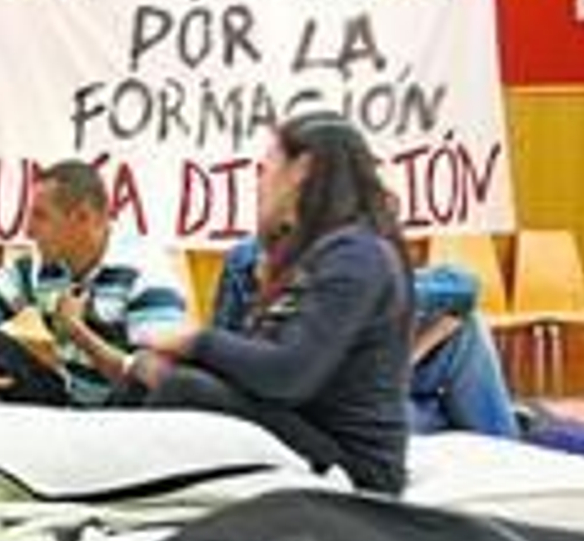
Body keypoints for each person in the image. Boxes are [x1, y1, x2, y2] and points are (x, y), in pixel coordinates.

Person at [135, 112, 415, 495]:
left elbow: (288, 375)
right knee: (152, 373)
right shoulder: (319, 251)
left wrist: (195, 341)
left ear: (301, 169)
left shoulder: (357, 254)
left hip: (356, 467)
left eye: (266, 170)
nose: (260, 184)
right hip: (310, 428)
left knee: (183, 388)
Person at [0, 159, 187, 408]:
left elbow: (159, 380)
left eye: (41, 216)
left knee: (139, 386)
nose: (28, 231)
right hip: (69, 402)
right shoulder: (41, 266)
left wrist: (78, 332)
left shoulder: (146, 274)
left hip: (127, 418)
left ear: (82, 218)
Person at [212, 238, 519, 439]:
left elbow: (463, 289)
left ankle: (502, 442)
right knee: (434, 414)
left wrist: (409, 356)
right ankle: (496, 433)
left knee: (467, 327)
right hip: (321, 412)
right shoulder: (249, 261)